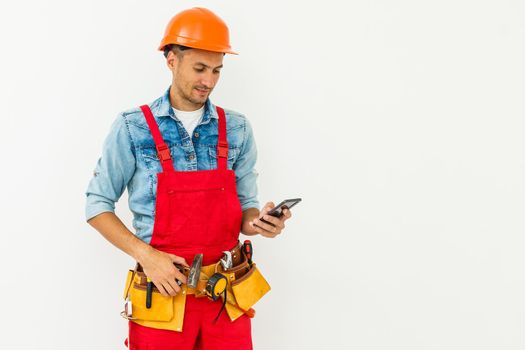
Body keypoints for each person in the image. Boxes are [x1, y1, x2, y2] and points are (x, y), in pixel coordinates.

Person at [84, 7, 293, 350]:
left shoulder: (237, 129)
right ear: (171, 59)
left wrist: (261, 222)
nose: (208, 81)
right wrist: (147, 257)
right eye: (199, 68)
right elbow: (96, 205)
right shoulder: (133, 127)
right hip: (162, 297)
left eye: (216, 70)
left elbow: (247, 210)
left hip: (226, 298)